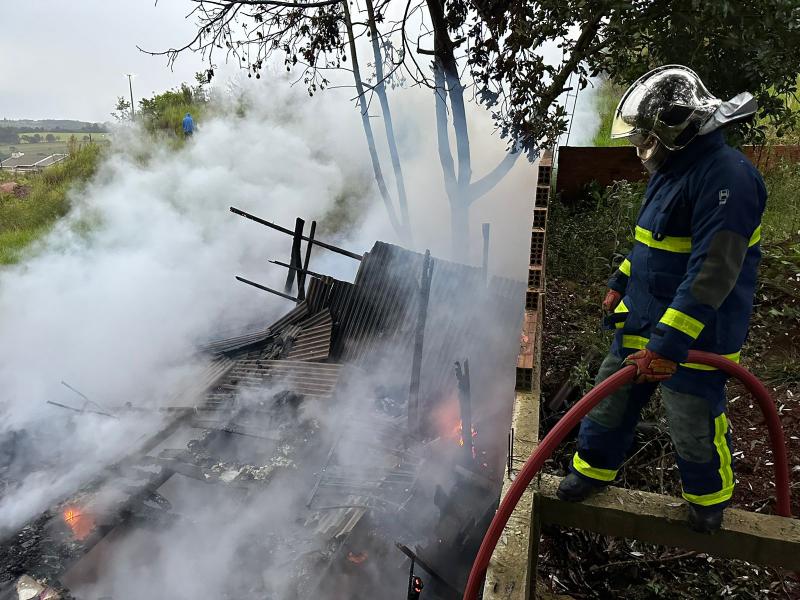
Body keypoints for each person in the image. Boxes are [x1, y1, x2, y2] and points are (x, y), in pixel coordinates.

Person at [556, 65, 766, 533]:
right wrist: (619, 279)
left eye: (646, 136)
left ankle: (708, 502)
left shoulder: (727, 178)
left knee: (691, 419)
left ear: (677, 128)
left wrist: (668, 344)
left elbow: (712, 273)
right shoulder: (674, 170)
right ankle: (591, 474)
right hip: (643, 321)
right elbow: (651, 245)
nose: (640, 146)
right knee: (606, 404)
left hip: (695, 336)